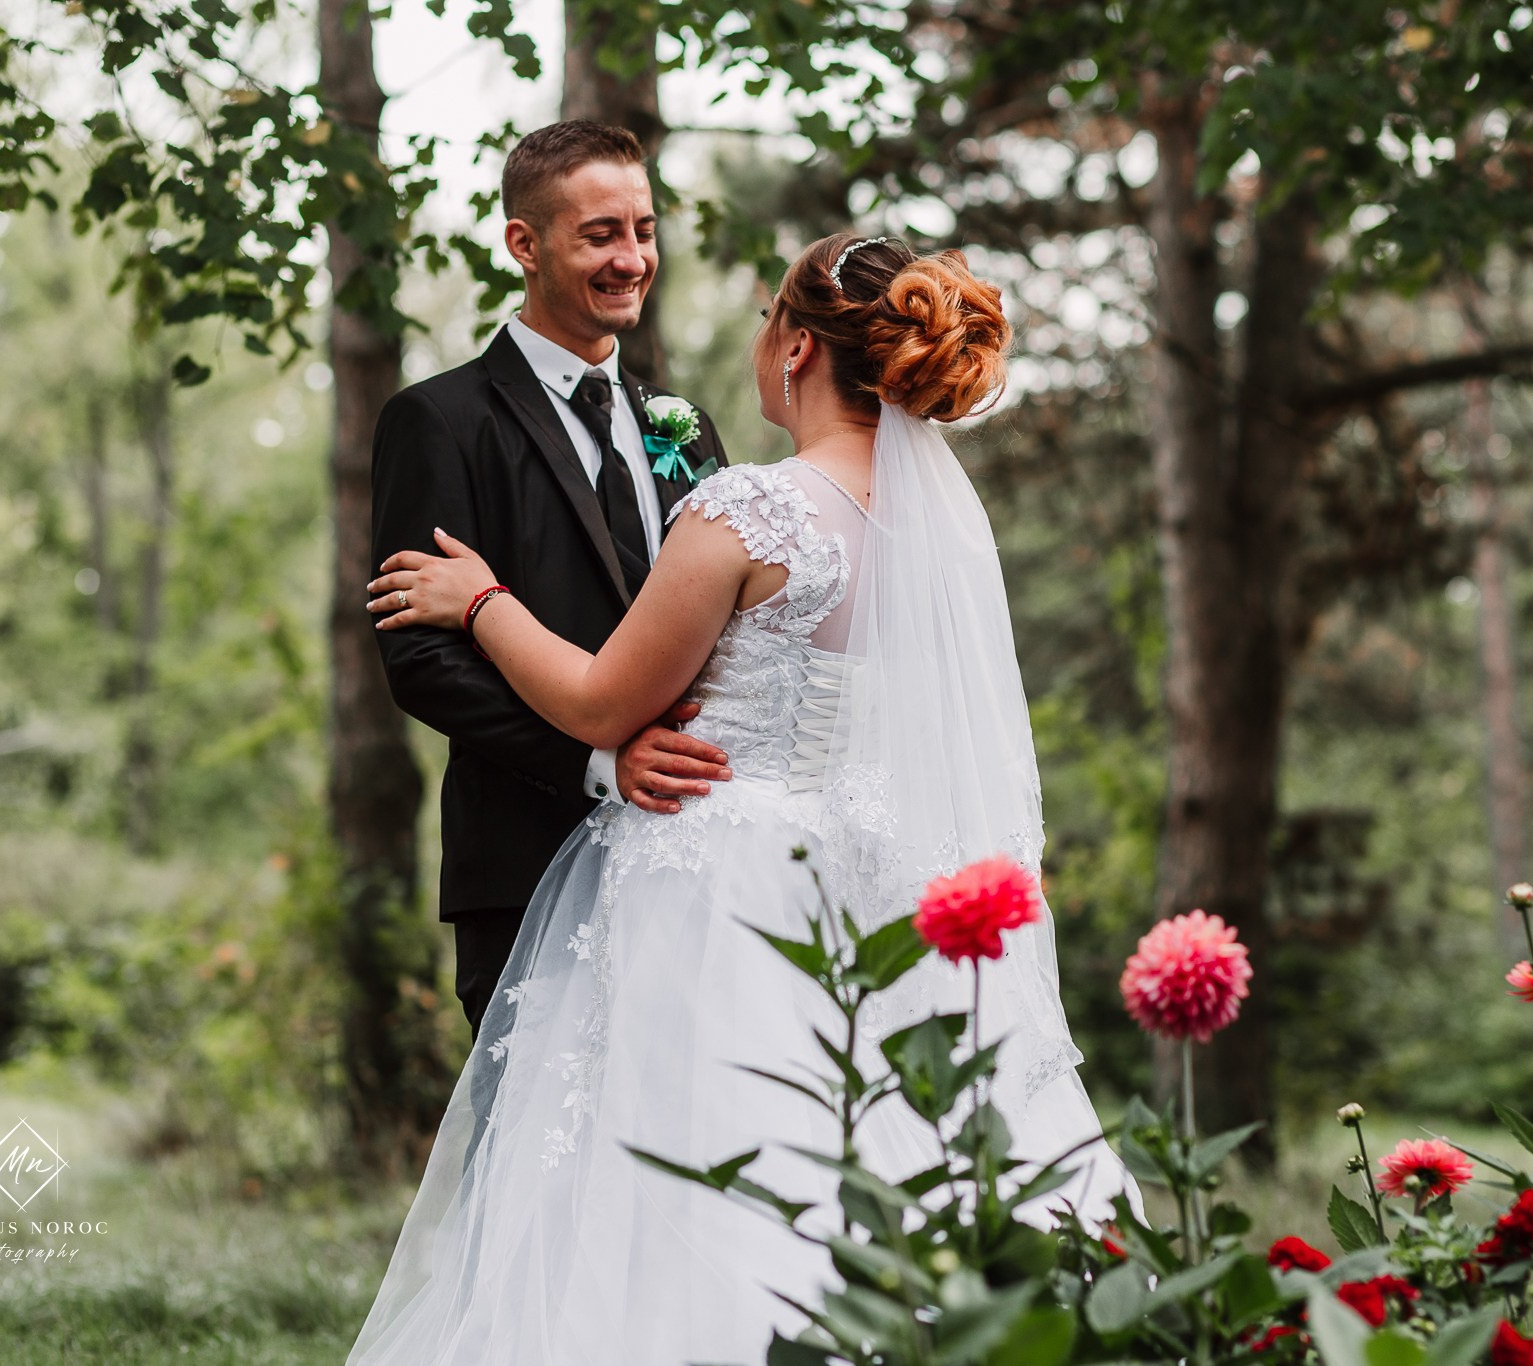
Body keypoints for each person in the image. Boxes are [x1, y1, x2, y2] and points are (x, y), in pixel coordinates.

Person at [348, 234, 1131, 1364]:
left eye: (770, 319)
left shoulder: (750, 510)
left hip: (713, 881)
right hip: (864, 874)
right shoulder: (938, 534)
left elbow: (597, 701)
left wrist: (478, 601)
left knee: (679, 1177)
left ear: (797, 344)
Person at [369, 119, 734, 1035]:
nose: (632, 258)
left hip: (697, 853)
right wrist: (601, 762)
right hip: (526, 865)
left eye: (644, 230)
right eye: (600, 234)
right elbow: (423, 665)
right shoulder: (438, 421)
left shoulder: (684, 425)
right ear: (524, 245)